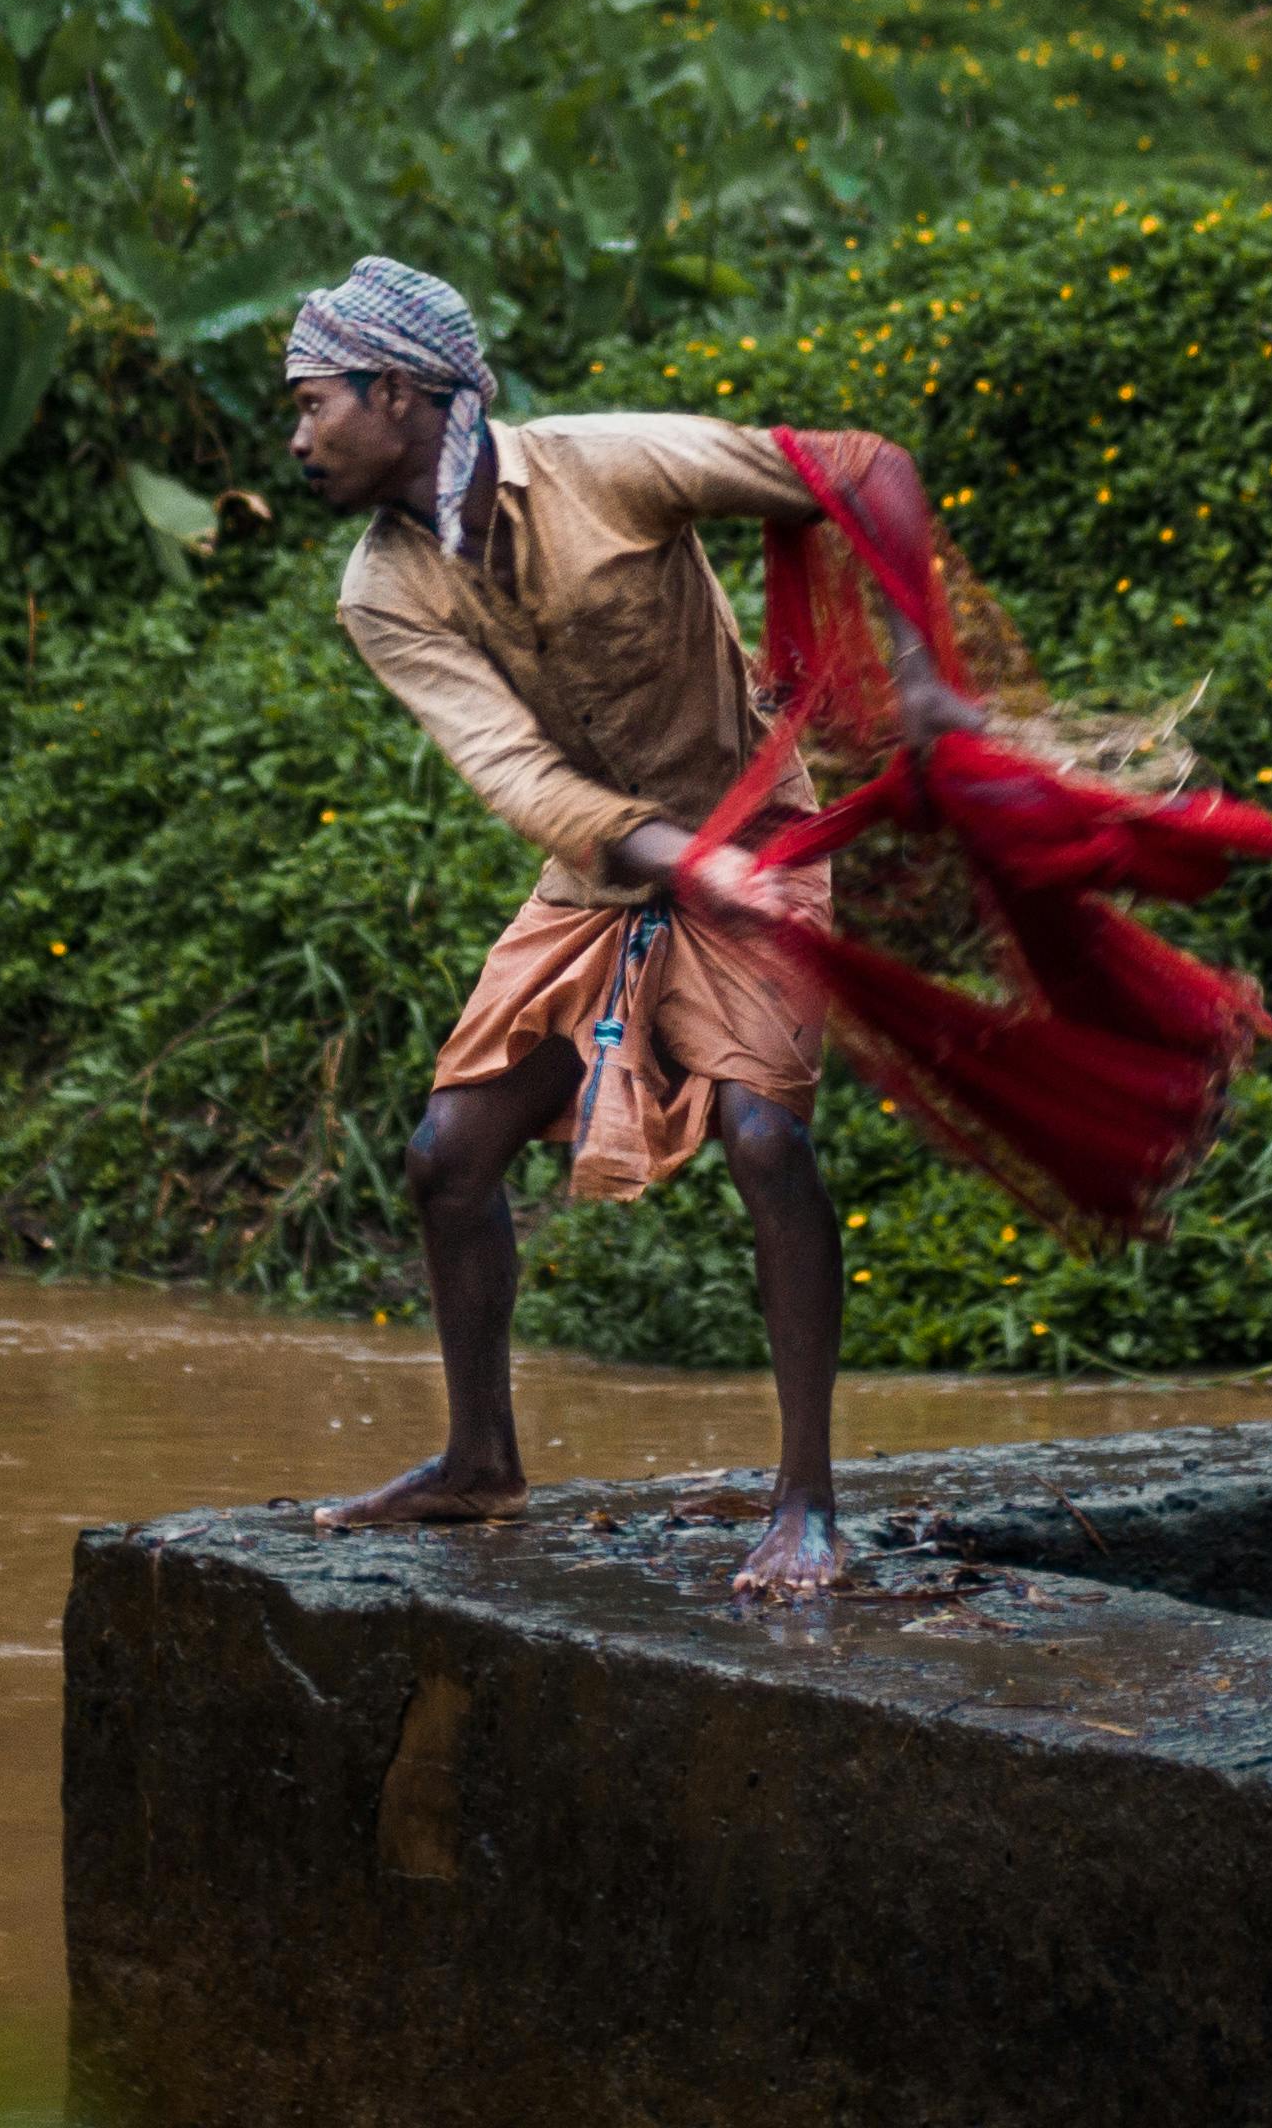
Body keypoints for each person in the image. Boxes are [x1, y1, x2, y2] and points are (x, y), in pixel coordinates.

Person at [279, 256, 977, 1604]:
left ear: (400, 393)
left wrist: (921, 682)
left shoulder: (609, 464)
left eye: (314, 404)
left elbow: (863, 468)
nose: (299, 437)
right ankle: (480, 1457)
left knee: (766, 1138)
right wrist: (684, 873)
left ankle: (807, 1505)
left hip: (757, 833)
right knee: (446, 1156)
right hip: (603, 873)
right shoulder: (381, 587)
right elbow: (522, 783)